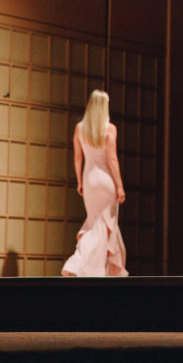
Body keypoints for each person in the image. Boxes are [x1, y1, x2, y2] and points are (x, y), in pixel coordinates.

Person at [62, 89, 128, 277]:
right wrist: (120, 186)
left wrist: (80, 181)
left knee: (94, 223)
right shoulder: (109, 128)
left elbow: (77, 158)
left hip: (89, 180)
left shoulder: (80, 128)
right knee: (105, 224)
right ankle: (81, 265)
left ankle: (98, 269)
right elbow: (112, 160)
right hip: (106, 181)